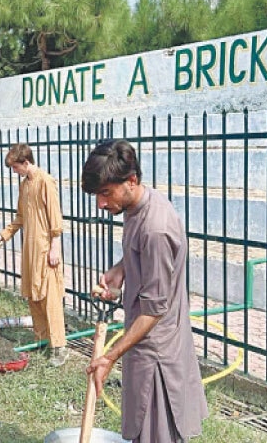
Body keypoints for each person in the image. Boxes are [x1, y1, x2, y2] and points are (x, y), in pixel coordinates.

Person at [82, 139, 208, 442]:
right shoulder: (136, 205)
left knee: (156, 434)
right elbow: (139, 252)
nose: (100, 204)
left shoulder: (156, 229)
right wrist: (121, 269)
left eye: (105, 193)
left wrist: (109, 357)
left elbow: (153, 311)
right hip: (143, 343)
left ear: (131, 180)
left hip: (157, 355)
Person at [0, 143, 68, 367]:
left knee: (50, 297)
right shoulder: (25, 185)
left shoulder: (45, 181)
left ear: (26, 162)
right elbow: (20, 217)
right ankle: (42, 341)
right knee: (34, 296)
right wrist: (4, 235)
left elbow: (55, 217)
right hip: (30, 250)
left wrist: (55, 247)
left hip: (46, 248)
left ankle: (59, 347)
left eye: (16, 168)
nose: (15, 172)